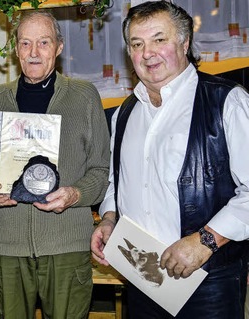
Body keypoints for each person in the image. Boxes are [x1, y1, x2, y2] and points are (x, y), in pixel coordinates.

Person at [91, 2, 249, 318]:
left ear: (185, 42)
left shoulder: (228, 102)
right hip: (141, 277)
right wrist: (109, 218)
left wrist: (206, 240)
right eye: (137, 44)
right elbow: (116, 180)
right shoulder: (123, 114)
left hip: (208, 280)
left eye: (159, 39)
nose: (147, 53)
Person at [0, 10, 110, 319]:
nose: (33, 52)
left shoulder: (84, 96)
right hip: (6, 243)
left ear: (59, 47)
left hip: (65, 242)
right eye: (25, 43)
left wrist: (75, 194)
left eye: (43, 42)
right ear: (16, 48)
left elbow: (102, 171)